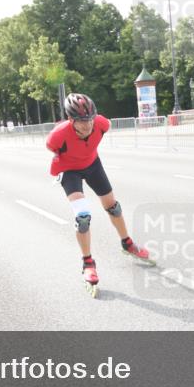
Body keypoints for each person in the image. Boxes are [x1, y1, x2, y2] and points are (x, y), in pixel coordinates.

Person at [45, 93, 150, 288]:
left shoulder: (102, 124)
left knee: (113, 207)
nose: (87, 125)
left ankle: (127, 243)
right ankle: (88, 263)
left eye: (89, 119)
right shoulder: (56, 137)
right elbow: (53, 149)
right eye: (81, 121)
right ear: (70, 120)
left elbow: (96, 129)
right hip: (69, 171)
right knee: (82, 217)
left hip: (93, 165)